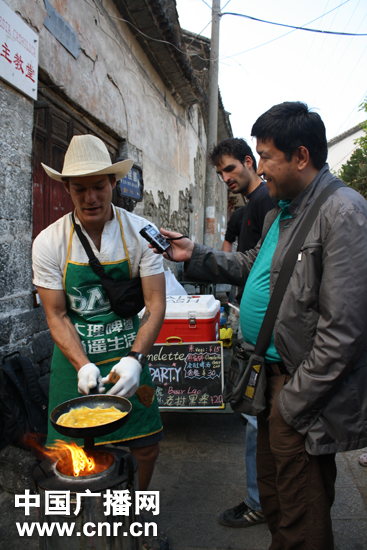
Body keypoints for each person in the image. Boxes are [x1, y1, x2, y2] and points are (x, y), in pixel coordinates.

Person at [152, 102, 367, 550]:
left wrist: (295, 401)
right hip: (271, 382)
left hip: (299, 390)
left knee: (302, 509)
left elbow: (343, 329)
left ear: (301, 156)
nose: (260, 166)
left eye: (266, 156)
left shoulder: (342, 212)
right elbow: (252, 264)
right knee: (274, 496)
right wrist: (196, 255)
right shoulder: (280, 212)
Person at [32, 134, 166, 493]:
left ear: (113, 183)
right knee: (71, 452)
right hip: (75, 360)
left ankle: (137, 514)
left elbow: (154, 304)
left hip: (128, 352)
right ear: (67, 189)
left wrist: (137, 359)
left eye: (98, 187)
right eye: (80, 190)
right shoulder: (49, 242)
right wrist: (83, 364)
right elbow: (57, 315)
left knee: (146, 446)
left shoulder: (142, 233)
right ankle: (90, 521)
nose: (90, 198)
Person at [211, 138, 274, 528]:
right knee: (256, 420)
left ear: (250, 162)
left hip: (268, 342)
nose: (226, 178)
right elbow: (245, 260)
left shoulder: (268, 201)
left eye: (231, 169)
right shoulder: (252, 207)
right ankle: (265, 497)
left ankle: (260, 501)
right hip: (255, 334)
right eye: (221, 173)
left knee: (256, 421)